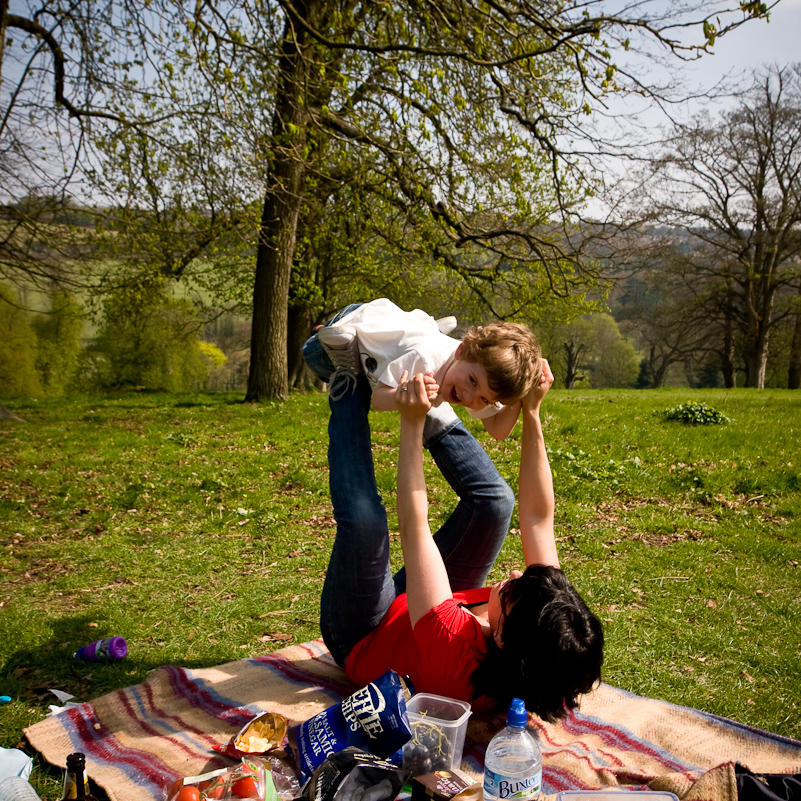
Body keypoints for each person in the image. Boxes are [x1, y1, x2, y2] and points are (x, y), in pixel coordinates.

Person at [319, 358, 604, 721]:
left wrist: (411, 422)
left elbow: (414, 525)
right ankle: (431, 393)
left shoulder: (453, 653)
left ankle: (348, 390)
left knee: (366, 523)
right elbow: (537, 517)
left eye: (515, 589)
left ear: (501, 638)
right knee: (496, 503)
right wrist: (532, 411)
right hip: (420, 609)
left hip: (365, 632)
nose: (517, 573)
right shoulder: (545, 632)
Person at [302, 298, 542, 441]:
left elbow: (498, 430)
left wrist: (524, 395)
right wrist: (405, 393)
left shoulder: (480, 372)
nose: (469, 397)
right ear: (462, 350)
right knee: (314, 354)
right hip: (357, 319)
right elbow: (378, 398)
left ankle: (426, 327)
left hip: (397, 327)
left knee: (415, 339)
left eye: (484, 399)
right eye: (472, 382)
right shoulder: (424, 360)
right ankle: (324, 329)